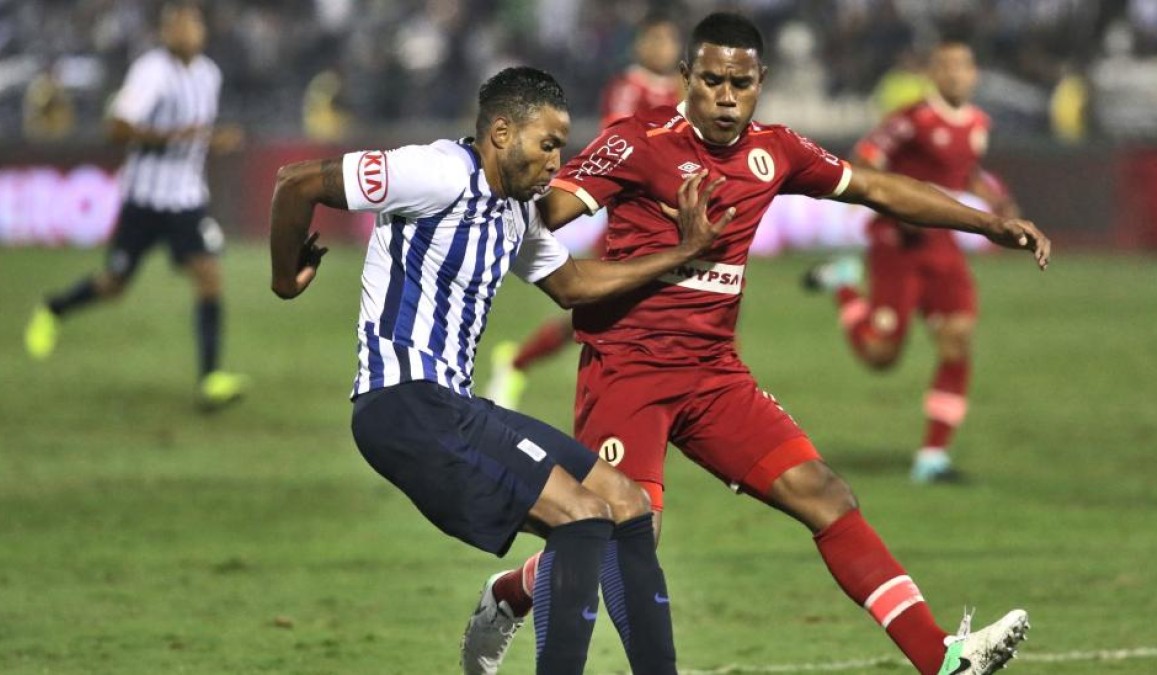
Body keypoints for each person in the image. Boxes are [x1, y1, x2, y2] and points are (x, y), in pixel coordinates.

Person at [463, 13, 1049, 675]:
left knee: (825, 494)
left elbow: (876, 188)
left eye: (739, 83)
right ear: (686, 77)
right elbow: (540, 213)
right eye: (711, 80)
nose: (725, 96)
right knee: (626, 538)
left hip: (714, 374)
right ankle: (511, 592)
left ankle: (942, 659)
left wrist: (986, 223)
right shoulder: (636, 142)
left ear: (761, 81)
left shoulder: (777, 151)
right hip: (628, 372)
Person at [268, 66, 735, 675]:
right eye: (548, 144)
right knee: (582, 517)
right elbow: (297, 181)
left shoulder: (516, 211)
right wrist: (285, 278)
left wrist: (683, 253)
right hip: (402, 402)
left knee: (626, 503)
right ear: (502, 133)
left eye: (561, 148)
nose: (556, 162)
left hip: (451, 404)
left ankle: (565, 625)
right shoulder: (434, 173)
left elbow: (571, 285)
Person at [803, 41, 1021, 483]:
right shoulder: (911, 120)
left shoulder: (978, 124)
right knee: (880, 355)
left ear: (974, 75)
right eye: (947, 67)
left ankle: (932, 458)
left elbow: (966, 174)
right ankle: (844, 282)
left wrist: (999, 203)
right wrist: (893, 205)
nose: (955, 74)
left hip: (941, 243)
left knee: (957, 338)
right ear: (933, 75)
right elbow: (867, 158)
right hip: (895, 243)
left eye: (963, 66)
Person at [23, 2, 247, 410]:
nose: (183, 31)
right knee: (114, 284)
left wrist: (211, 139)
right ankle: (53, 308)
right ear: (165, 31)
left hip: (185, 199)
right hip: (143, 199)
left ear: (201, 30)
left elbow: (197, 134)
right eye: (175, 24)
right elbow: (117, 128)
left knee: (209, 275)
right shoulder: (151, 71)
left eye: (190, 23)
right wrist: (181, 135)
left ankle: (211, 379)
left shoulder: (208, 75)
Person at [484, 12, 682, 410]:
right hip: (632, 222)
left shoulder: (685, 90)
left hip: (674, 222)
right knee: (592, 307)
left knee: (698, 305)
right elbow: (621, 148)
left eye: (669, 40)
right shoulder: (628, 88)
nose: (663, 49)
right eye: (656, 40)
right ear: (641, 44)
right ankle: (517, 363)